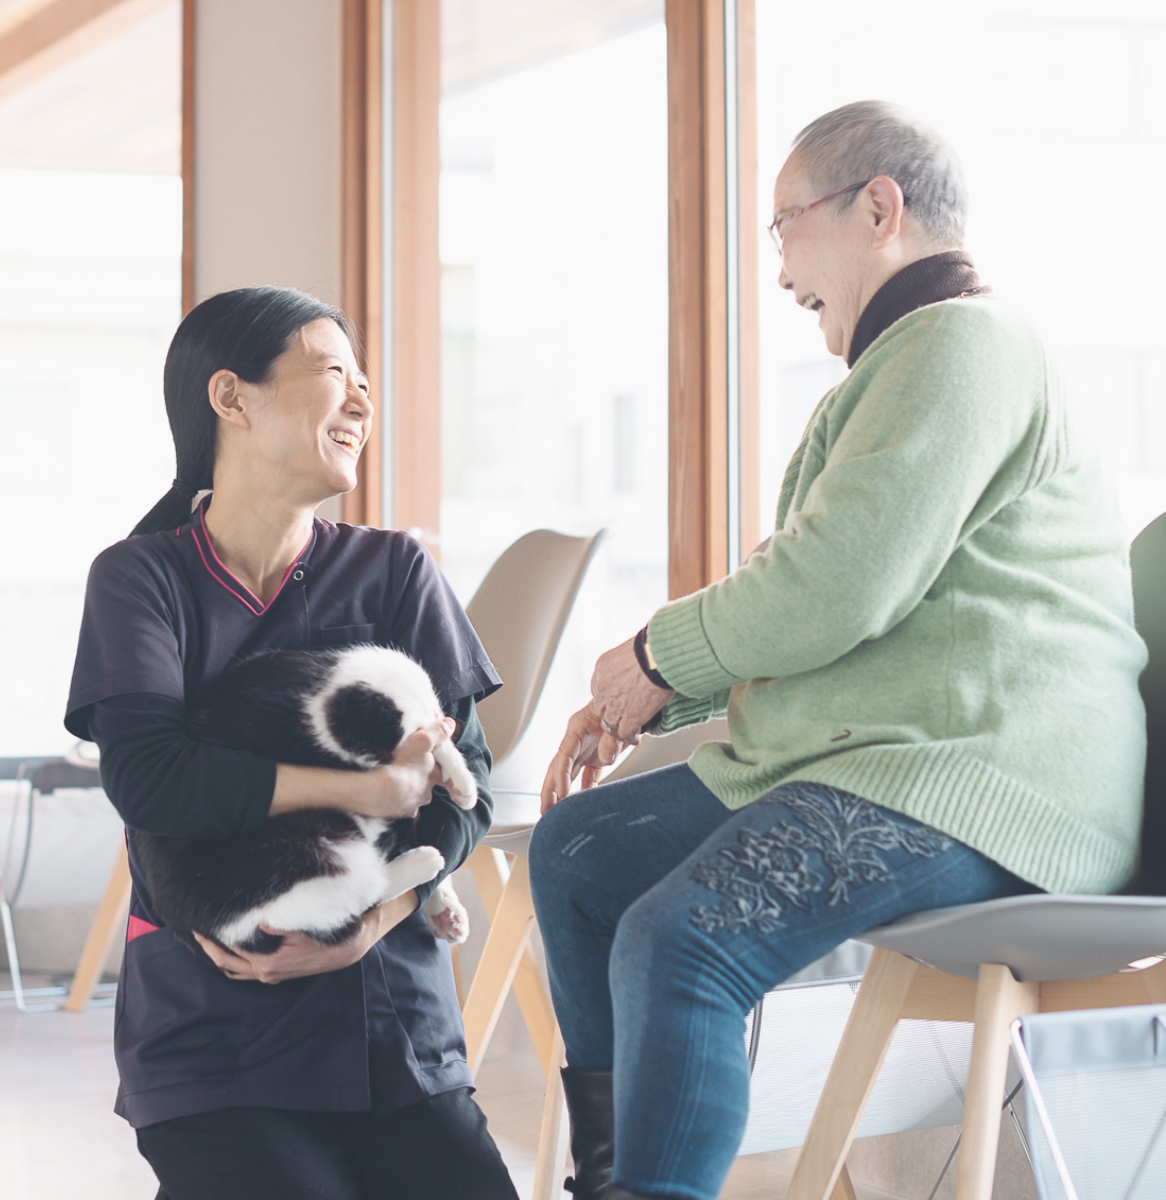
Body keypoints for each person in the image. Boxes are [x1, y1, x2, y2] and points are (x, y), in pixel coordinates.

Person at [528, 101, 1147, 1200]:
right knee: (578, 856)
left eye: (782, 228)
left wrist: (655, 662)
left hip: (979, 776)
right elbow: (823, 583)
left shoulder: (963, 344)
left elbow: (838, 583)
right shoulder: (907, 363)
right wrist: (650, 696)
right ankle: (614, 1186)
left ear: (877, 208)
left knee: (682, 942)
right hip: (890, 755)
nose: (777, 274)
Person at [65, 286, 519, 1200]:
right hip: (212, 1027)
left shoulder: (397, 572)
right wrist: (357, 793)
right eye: (331, 373)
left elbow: (467, 785)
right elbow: (153, 782)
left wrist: (374, 925)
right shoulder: (139, 579)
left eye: (366, 381)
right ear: (231, 398)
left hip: (386, 1012)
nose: (362, 400)